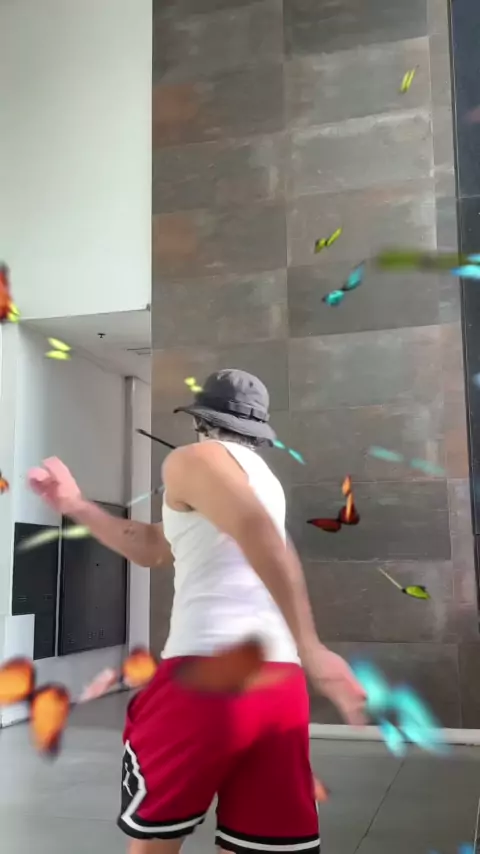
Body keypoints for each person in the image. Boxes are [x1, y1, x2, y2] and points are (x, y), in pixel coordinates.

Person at [28, 369, 366, 854]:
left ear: (200, 420)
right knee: (256, 843)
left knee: (156, 841)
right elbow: (154, 546)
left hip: (205, 679)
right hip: (278, 689)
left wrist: (313, 648)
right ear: (258, 430)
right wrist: (75, 504)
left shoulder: (193, 458)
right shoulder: (264, 480)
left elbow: (259, 534)